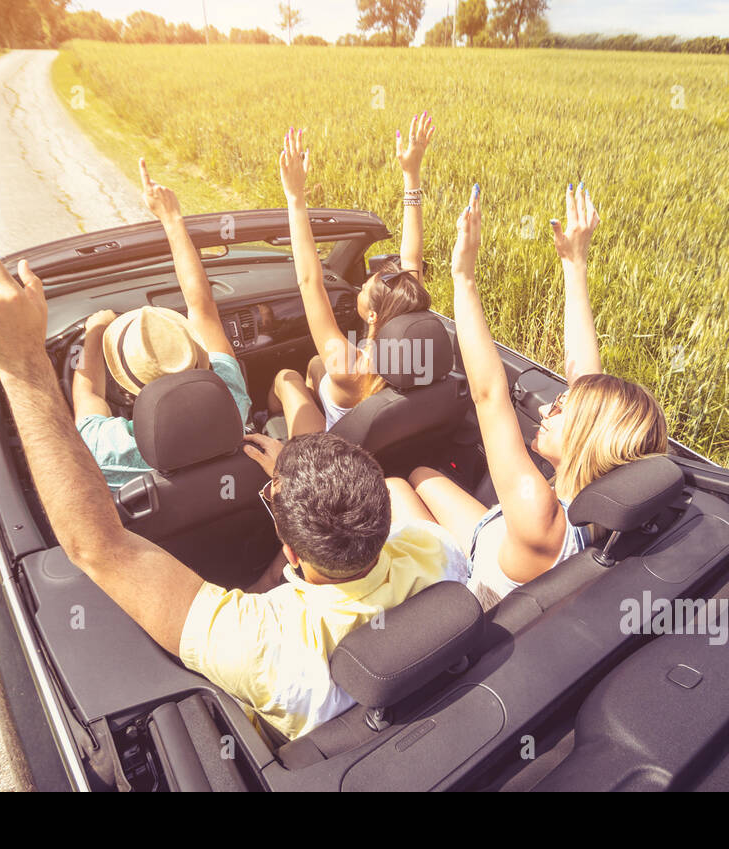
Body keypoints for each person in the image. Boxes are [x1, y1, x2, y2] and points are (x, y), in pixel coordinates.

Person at [0, 255, 467, 742]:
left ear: (290, 552)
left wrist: (22, 365)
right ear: (381, 511)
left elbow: (98, 544)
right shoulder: (437, 553)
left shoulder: (263, 645)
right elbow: (398, 490)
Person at [398, 182, 669, 608]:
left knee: (394, 488)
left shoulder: (539, 510)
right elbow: (586, 380)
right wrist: (573, 262)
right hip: (495, 535)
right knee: (419, 475)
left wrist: (463, 278)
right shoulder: (601, 495)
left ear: (588, 435)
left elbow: (489, 394)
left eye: (562, 409)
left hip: (473, 581)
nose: (550, 405)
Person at [72, 159, 252, 489]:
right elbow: (204, 308)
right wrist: (172, 218)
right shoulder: (233, 400)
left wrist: (95, 332)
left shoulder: (109, 449)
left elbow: (88, 391)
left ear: (128, 391)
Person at [266, 115, 435, 436]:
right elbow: (412, 259)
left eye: (364, 287)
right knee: (316, 365)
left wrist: (295, 197)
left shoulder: (349, 365)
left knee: (286, 377)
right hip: (375, 441)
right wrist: (411, 175)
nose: (361, 284)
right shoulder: (417, 350)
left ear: (372, 314)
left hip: (328, 452)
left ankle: (267, 420)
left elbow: (310, 282)